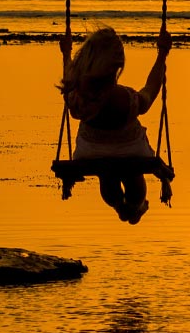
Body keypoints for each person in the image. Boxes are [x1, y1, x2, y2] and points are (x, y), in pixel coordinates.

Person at [60, 25, 169, 223]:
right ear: (117, 65)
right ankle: (135, 206)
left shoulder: (78, 95)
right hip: (131, 150)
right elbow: (150, 92)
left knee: (107, 175)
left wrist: (66, 53)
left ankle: (119, 206)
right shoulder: (123, 98)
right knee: (133, 177)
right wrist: (161, 55)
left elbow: (69, 77)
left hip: (91, 152)